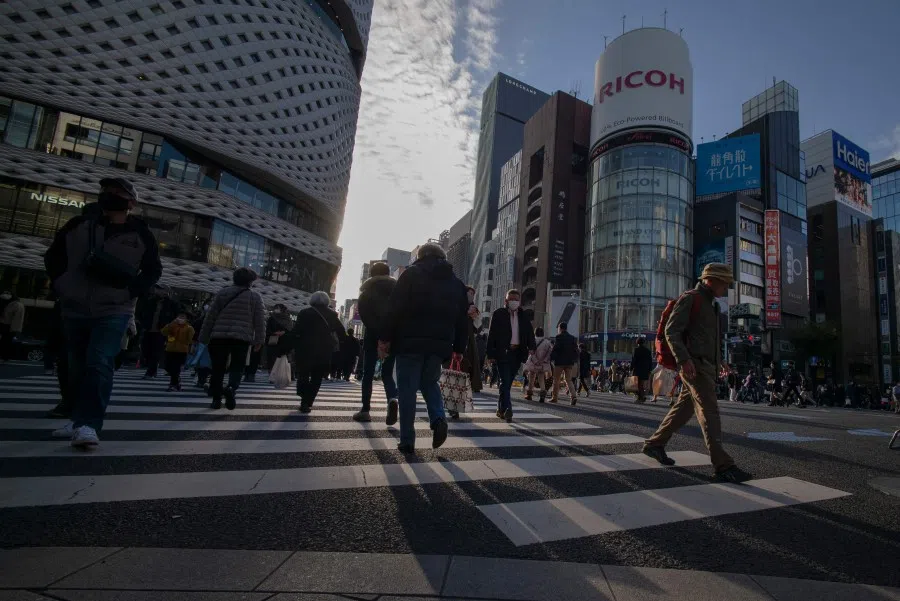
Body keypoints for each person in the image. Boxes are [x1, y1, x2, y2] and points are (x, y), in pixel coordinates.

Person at [45, 176, 162, 447]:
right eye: (106, 191)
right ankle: (77, 419)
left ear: (131, 202)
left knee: (99, 361)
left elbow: (153, 270)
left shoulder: (140, 234)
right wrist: (62, 285)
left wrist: (130, 291)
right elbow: (54, 257)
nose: (109, 195)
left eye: (117, 192)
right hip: (73, 307)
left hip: (114, 309)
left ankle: (88, 424)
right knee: (75, 367)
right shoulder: (79, 225)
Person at [642, 263, 752, 484]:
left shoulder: (713, 306)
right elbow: (671, 330)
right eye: (724, 283)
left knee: (683, 410)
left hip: (705, 366)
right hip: (694, 367)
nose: (726, 288)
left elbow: (710, 338)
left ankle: (655, 444)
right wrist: (684, 360)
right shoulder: (691, 298)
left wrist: (720, 361)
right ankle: (723, 466)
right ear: (711, 280)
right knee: (709, 412)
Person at [379, 243, 468, 452]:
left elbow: (394, 307)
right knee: (430, 382)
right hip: (440, 345)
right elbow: (462, 319)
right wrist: (459, 348)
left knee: (407, 389)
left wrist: (385, 337)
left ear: (420, 256)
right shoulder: (456, 283)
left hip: (409, 341)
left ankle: (407, 439)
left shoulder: (411, 275)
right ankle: (438, 419)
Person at [199, 268, 266, 410]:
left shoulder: (222, 293)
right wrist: (259, 339)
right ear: (250, 282)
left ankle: (216, 399)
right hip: (241, 337)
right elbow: (259, 321)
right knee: (238, 365)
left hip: (219, 336)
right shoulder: (255, 297)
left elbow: (210, 316)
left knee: (218, 367)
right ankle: (231, 388)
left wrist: (203, 336)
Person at [284, 291, 347, 413]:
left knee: (303, 374)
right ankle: (308, 401)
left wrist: (287, 347)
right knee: (317, 377)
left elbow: (296, 331)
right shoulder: (332, 315)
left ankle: (303, 400)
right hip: (324, 350)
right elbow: (341, 332)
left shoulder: (305, 313)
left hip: (304, 349)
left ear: (312, 300)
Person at [355, 262, 398, 422]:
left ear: (372, 274)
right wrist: (387, 337)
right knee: (387, 374)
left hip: (372, 337)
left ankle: (365, 410)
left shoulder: (366, 292)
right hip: (392, 339)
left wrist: (378, 337)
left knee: (368, 374)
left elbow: (366, 317)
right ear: (388, 273)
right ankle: (392, 400)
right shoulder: (397, 291)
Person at [486, 289, 536, 422]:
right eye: (511, 299)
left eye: (516, 299)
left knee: (506, 383)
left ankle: (500, 409)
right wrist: (490, 353)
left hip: (517, 353)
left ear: (519, 302)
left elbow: (529, 332)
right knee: (505, 380)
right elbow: (492, 335)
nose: (513, 301)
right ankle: (508, 409)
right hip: (503, 352)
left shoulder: (523, 315)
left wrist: (532, 347)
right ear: (506, 301)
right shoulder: (498, 314)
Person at [137, 285, 178, 378]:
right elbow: (140, 311)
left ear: (166, 291)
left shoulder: (172, 304)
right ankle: (152, 368)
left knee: (156, 351)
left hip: (161, 331)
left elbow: (176, 316)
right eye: (157, 289)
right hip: (148, 329)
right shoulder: (150, 301)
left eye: (160, 289)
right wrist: (143, 322)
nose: (157, 290)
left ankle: (150, 371)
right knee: (145, 349)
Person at [161, 311, 195, 391]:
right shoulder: (172, 326)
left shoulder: (189, 328)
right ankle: (176, 381)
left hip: (181, 351)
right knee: (167, 366)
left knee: (175, 368)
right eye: (179, 317)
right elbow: (163, 332)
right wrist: (171, 324)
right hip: (170, 349)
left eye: (183, 317)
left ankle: (173, 384)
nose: (181, 319)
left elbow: (191, 339)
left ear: (186, 319)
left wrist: (191, 347)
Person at [550, 321, 578, 405]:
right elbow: (575, 350)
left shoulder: (558, 337)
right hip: (569, 362)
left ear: (560, 328)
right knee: (569, 380)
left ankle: (554, 398)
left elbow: (555, 349)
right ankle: (573, 396)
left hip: (559, 362)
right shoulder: (572, 338)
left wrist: (551, 358)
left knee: (556, 380)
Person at [524, 327, 552, 402]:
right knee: (541, 378)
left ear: (535, 333)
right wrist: (544, 360)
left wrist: (536, 361)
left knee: (531, 378)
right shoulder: (547, 342)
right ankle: (542, 394)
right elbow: (549, 353)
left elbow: (531, 352)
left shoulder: (533, 341)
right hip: (542, 363)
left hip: (533, 363)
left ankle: (529, 394)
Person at [265, 304, 293, 371]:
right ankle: (272, 374)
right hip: (273, 340)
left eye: (278, 308)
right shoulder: (271, 318)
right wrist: (274, 333)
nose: (276, 310)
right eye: (275, 308)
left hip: (284, 341)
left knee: (284, 358)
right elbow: (267, 329)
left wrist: (284, 332)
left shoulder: (288, 319)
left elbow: (291, 330)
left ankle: (286, 374)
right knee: (272, 358)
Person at [0, 291, 24, 362]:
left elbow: (17, 319)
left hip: (8, 326)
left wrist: (14, 329)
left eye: (8, 293)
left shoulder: (17, 304)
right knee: (4, 342)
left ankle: (4, 357)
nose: (5, 295)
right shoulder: (4, 302)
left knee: (6, 342)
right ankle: (4, 357)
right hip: (4, 324)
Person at [631, 337, 653, 403]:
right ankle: (641, 397)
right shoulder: (648, 351)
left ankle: (641, 398)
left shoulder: (636, 350)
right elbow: (650, 361)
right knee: (641, 384)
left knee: (638, 385)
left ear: (637, 342)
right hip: (645, 370)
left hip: (638, 369)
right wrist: (649, 370)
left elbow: (634, 360)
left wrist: (631, 368)